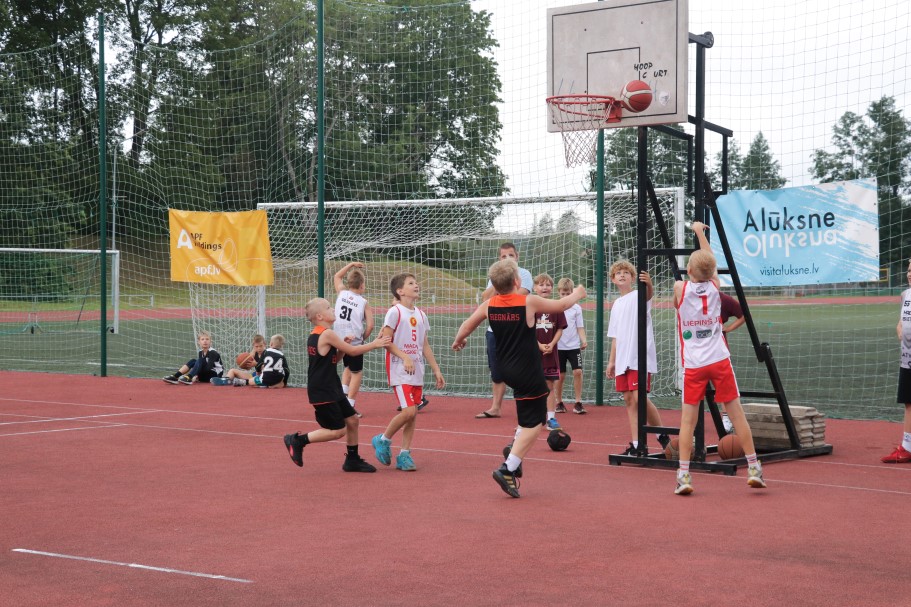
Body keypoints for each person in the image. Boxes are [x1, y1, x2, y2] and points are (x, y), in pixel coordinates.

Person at [452, 259, 586, 498]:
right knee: (536, 423)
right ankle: (508, 467)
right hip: (527, 370)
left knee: (527, 414)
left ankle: (514, 446)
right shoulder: (527, 301)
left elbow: (467, 325)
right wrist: (578, 293)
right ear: (516, 281)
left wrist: (459, 340)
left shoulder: (489, 304)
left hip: (506, 370)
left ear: (494, 285)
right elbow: (561, 304)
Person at [673, 222, 766, 495]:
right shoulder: (716, 288)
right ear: (711, 272)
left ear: (689, 271)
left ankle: (684, 475)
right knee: (737, 415)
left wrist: (693, 233)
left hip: (694, 364)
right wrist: (700, 232)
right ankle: (754, 467)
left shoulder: (679, 288)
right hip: (719, 360)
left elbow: (701, 270)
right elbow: (709, 263)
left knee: (688, 422)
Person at [283, 298, 389, 472]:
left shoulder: (318, 334)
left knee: (353, 420)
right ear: (320, 316)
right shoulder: (327, 334)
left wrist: (342, 347)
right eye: (328, 307)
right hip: (323, 390)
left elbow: (332, 360)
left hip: (331, 387)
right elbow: (353, 352)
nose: (333, 309)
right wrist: (375, 344)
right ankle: (297, 440)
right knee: (338, 431)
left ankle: (352, 460)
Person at [371, 273, 445, 471]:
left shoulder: (421, 314)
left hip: (417, 370)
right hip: (399, 369)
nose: (416, 285)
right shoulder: (394, 312)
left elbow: (424, 345)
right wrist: (404, 357)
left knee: (412, 415)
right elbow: (386, 341)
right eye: (411, 283)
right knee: (409, 411)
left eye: (416, 282)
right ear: (400, 291)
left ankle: (404, 454)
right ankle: (383, 439)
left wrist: (436, 369)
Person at [605, 261, 669, 455]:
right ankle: (636, 444)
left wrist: (649, 284)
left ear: (633, 278)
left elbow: (648, 295)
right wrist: (612, 361)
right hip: (622, 358)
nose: (622, 275)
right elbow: (615, 336)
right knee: (628, 399)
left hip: (638, 355)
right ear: (613, 279)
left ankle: (661, 434)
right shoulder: (616, 304)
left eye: (626, 272)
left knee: (638, 396)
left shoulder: (637, 295)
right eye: (618, 273)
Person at [474, 242, 534, 419]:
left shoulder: (524, 274)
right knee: (496, 370)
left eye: (511, 255)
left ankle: (526, 406)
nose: (508, 259)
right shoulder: (495, 277)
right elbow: (485, 299)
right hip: (495, 331)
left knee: (520, 368)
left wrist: (500, 294)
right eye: (503, 256)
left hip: (517, 330)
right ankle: (495, 407)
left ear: (517, 257)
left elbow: (519, 295)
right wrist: (498, 280)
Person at [333, 261, 374, 416]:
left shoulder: (342, 292)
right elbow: (370, 325)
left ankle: (342, 397)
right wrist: (362, 339)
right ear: (362, 286)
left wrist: (350, 265)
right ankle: (349, 406)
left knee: (347, 367)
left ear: (349, 283)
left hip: (339, 340)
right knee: (357, 372)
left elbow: (337, 276)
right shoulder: (363, 302)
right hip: (354, 341)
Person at [882, 259, 911, 464]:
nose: (909, 274)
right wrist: (899, 328)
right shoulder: (905, 295)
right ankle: (907, 447)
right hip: (907, 359)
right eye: (909, 270)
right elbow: (901, 322)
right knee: (909, 402)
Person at [533, 273, 567, 431]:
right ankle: (532, 418)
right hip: (533, 353)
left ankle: (551, 418)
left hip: (551, 353)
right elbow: (526, 331)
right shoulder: (531, 307)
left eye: (547, 285)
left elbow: (560, 328)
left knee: (549, 385)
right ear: (535, 288)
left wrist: (552, 344)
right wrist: (539, 345)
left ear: (552, 288)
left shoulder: (556, 306)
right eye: (541, 285)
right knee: (532, 386)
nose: (544, 287)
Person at [554, 277, 588, 415]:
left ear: (572, 293)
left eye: (568, 294)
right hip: (559, 347)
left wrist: (583, 340)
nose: (565, 296)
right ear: (559, 293)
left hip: (573, 346)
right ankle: (559, 402)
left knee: (578, 372)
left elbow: (580, 327)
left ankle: (578, 402)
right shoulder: (555, 307)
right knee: (560, 375)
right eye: (563, 294)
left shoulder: (576, 308)